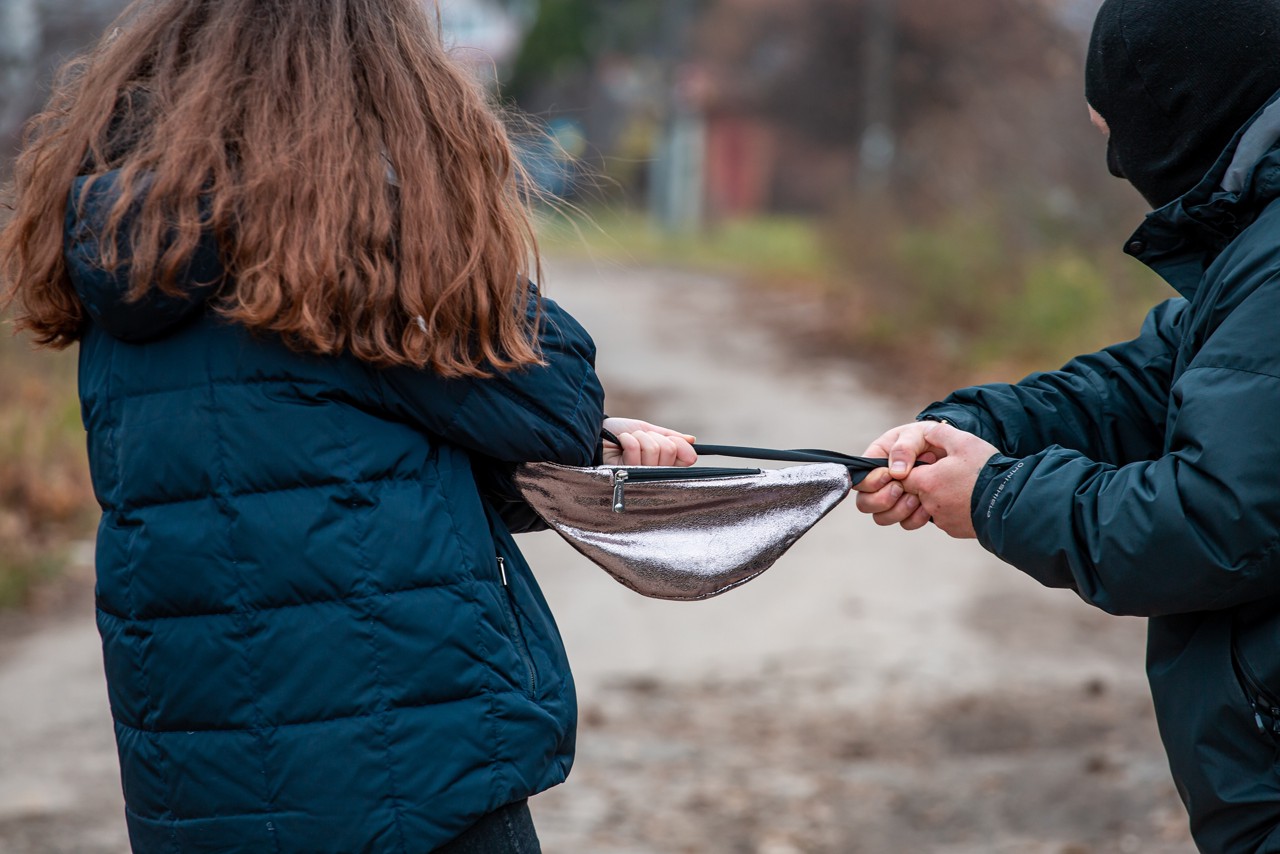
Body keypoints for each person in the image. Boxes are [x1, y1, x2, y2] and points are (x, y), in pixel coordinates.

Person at [0, 1, 697, 851]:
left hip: (199, 807)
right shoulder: (354, 249)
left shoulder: (131, 262)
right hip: (410, 792)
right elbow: (553, 411)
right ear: (373, 83)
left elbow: (323, 463)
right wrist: (447, 233)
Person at [854, 0, 1280, 850]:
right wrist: (969, 425)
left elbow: (1220, 518)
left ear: (1183, 116)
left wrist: (997, 496)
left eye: (1117, 133)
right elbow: (1145, 382)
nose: (1119, 164)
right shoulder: (1255, 254)